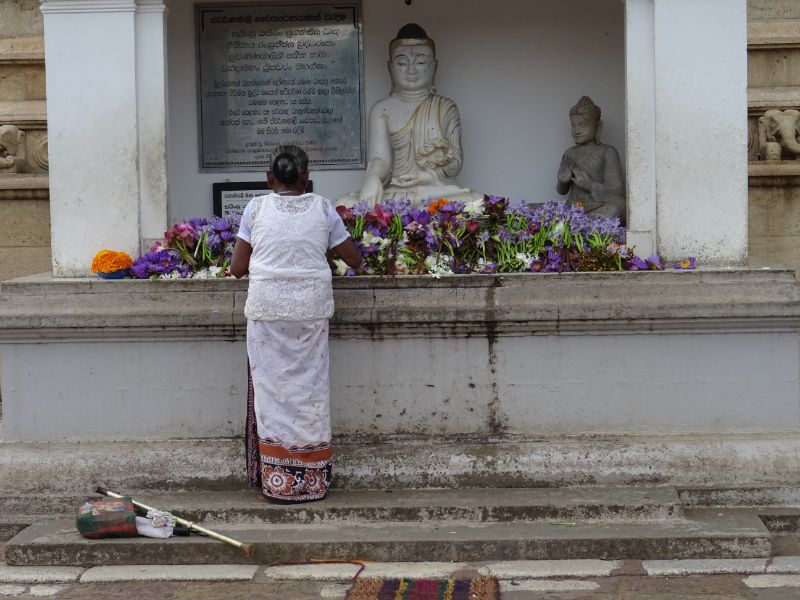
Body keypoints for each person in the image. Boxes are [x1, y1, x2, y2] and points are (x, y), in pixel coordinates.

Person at [230, 145, 361, 503]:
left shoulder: (256, 207)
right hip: (311, 310)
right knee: (309, 390)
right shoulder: (322, 207)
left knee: (272, 393)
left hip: (267, 310)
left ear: (268, 179)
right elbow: (354, 259)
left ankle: (279, 480)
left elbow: (238, 269)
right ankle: (311, 482)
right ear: (307, 179)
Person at [341, 23, 482, 207]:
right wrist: (373, 178)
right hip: (396, 191)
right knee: (345, 204)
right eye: (402, 62)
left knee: (477, 201)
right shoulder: (381, 110)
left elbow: (455, 161)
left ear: (434, 66)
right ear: (390, 67)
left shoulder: (445, 107)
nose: (411, 69)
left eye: (421, 62)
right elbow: (380, 159)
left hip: (435, 189)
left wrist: (423, 178)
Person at [556, 96, 626, 223]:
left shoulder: (607, 152)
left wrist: (589, 185)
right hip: (574, 208)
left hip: (599, 206)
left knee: (615, 209)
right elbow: (562, 191)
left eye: (582, 125)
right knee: (550, 210)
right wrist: (562, 181)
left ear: (597, 126)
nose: (577, 130)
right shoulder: (569, 153)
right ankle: (578, 223)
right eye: (573, 125)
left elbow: (617, 192)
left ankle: (577, 224)